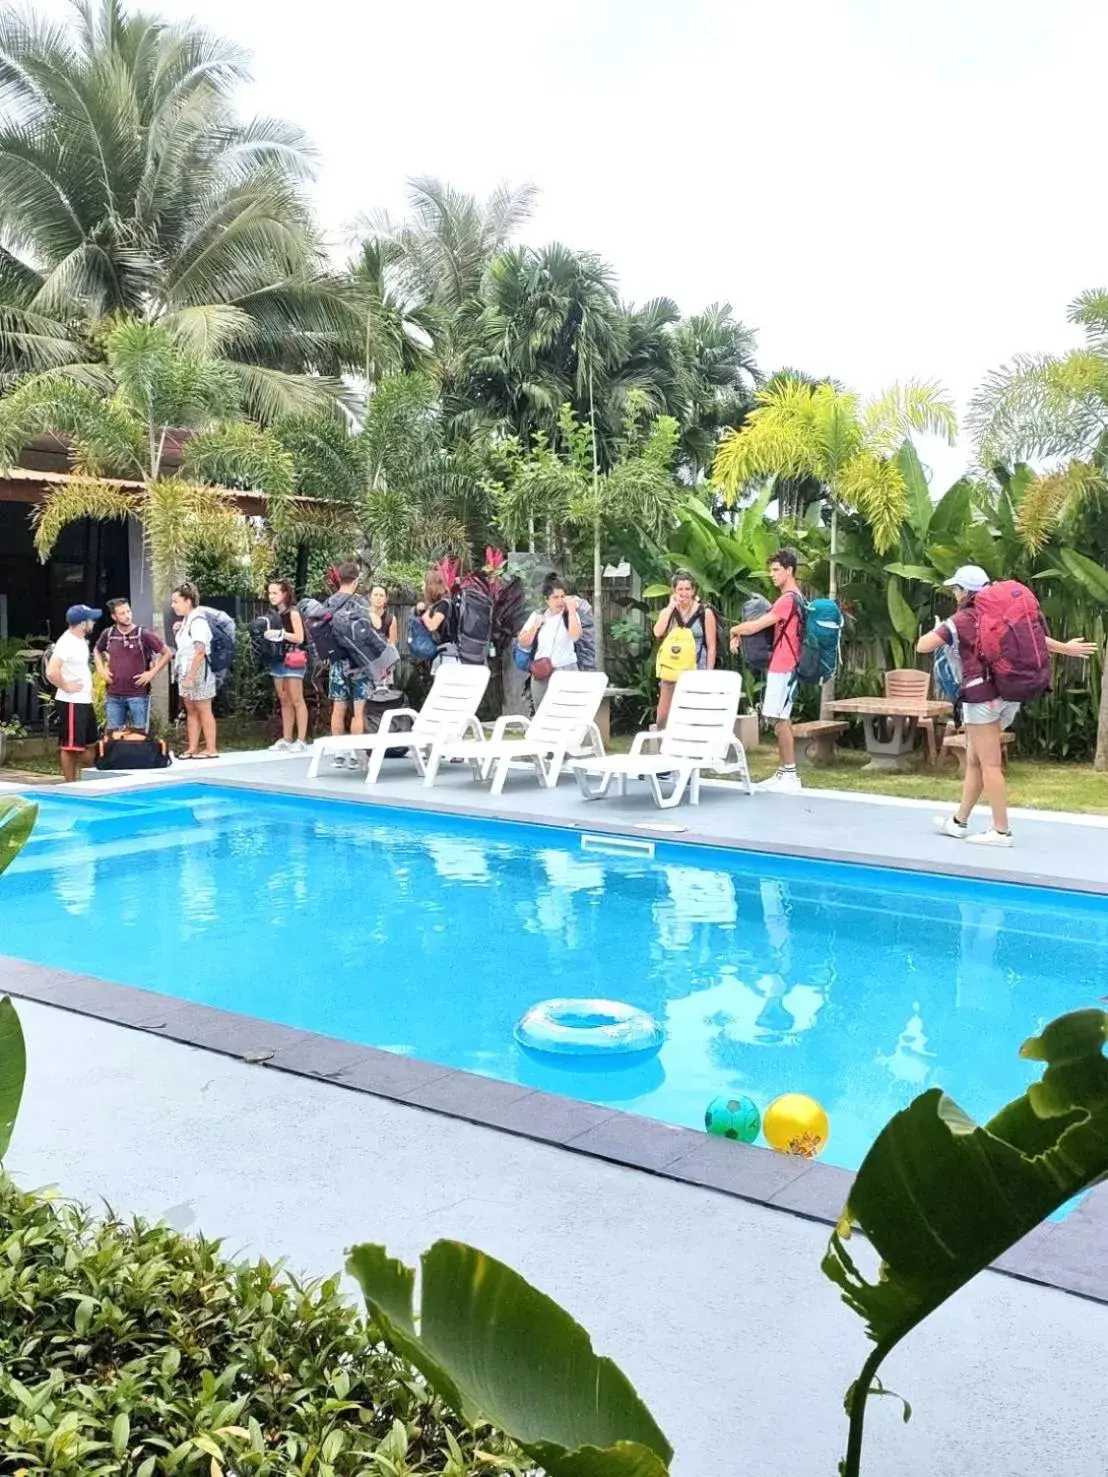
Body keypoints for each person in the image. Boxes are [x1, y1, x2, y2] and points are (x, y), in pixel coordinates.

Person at [917, 564, 1096, 847]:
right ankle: (959, 822)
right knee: (975, 760)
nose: (954, 593)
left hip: (982, 700)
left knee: (990, 765)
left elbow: (922, 646)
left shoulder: (962, 619)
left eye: (955, 589)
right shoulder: (1003, 612)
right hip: (1007, 696)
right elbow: (1035, 638)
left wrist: (941, 628)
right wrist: (1066, 647)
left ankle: (1001, 832)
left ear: (965, 592)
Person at [729, 548, 805, 793]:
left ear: (789, 570)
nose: (772, 575)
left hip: (784, 664)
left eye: (776, 570)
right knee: (779, 718)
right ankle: (783, 772)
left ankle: (791, 775)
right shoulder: (796, 598)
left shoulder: (788, 599)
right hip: (783, 663)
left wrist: (734, 631)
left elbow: (755, 626)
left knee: (781, 721)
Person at [93, 598, 170, 733]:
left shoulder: (143, 634)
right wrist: (101, 669)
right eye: (122, 613)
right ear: (114, 616)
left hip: (138, 694)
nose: (127, 615)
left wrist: (151, 673)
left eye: (128, 611)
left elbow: (167, 653)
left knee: (139, 735)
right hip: (114, 695)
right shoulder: (109, 634)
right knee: (114, 735)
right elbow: (96, 650)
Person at [653, 570, 718, 727]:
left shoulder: (705, 613)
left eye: (687, 589)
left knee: (693, 717)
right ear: (674, 591)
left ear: (693, 590)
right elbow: (657, 632)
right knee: (663, 718)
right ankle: (665, 748)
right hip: (671, 669)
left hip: (696, 669)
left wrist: (709, 672)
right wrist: (670, 608)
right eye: (680, 589)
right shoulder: (668, 611)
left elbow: (711, 646)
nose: (684, 593)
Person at [47, 604, 99, 782]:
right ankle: (70, 784)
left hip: (83, 700)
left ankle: (90, 780)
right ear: (83, 623)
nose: (94, 622)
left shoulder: (80, 640)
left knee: (90, 743)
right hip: (71, 702)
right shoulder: (66, 642)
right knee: (70, 747)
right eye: (91, 619)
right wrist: (66, 686)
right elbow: (51, 671)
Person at [326, 560, 370, 769]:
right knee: (358, 710)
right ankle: (355, 754)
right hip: (358, 662)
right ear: (356, 579)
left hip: (336, 663)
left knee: (338, 708)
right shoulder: (360, 603)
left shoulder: (329, 603)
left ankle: (338, 753)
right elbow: (367, 632)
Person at [516, 573, 583, 710]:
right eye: (555, 597)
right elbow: (523, 642)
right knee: (542, 712)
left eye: (562, 597)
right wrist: (536, 625)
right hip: (542, 673)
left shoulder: (569, 615)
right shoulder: (537, 615)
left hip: (565, 669)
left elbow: (575, 636)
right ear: (547, 600)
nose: (559, 601)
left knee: (567, 712)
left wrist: (571, 609)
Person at [171, 582, 219, 759]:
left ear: (188, 601)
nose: (173, 605)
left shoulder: (198, 621)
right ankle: (192, 747)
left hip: (197, 668)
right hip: (185, 667)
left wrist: (191, 675)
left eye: (176, 601)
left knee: (203, 707)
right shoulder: (185, 621)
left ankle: (211, 747)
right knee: (191, 709)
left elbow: (200, 650)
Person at [264, 578, 309, 753]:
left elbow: (300, 637)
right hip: (277, 658)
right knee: (284, 699)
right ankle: (287, 737)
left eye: (275, 593)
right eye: (270, 593)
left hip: (293, 658)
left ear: (284, 594)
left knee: (297, 699)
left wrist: (282, 634)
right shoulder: (273, 615)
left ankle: (302, 739)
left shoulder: (293, 613)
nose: (272, 596)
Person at [412, 566, 455, 670]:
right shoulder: (438, 605)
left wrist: (424, 612)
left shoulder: (444, 604)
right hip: (442, 655)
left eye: (424, 584)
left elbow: (432, 625)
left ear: (431, 586)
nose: (422, 587)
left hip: (448, 656)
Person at [368, 583, 399, 678]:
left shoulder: (390, 619)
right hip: (364, 661)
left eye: (381, 595)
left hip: (383, 663)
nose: (378, 598)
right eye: (375, 595)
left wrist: (386, 667)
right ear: (370, 597)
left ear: (386, 599)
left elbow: (392, 646)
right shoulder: (363, 615)